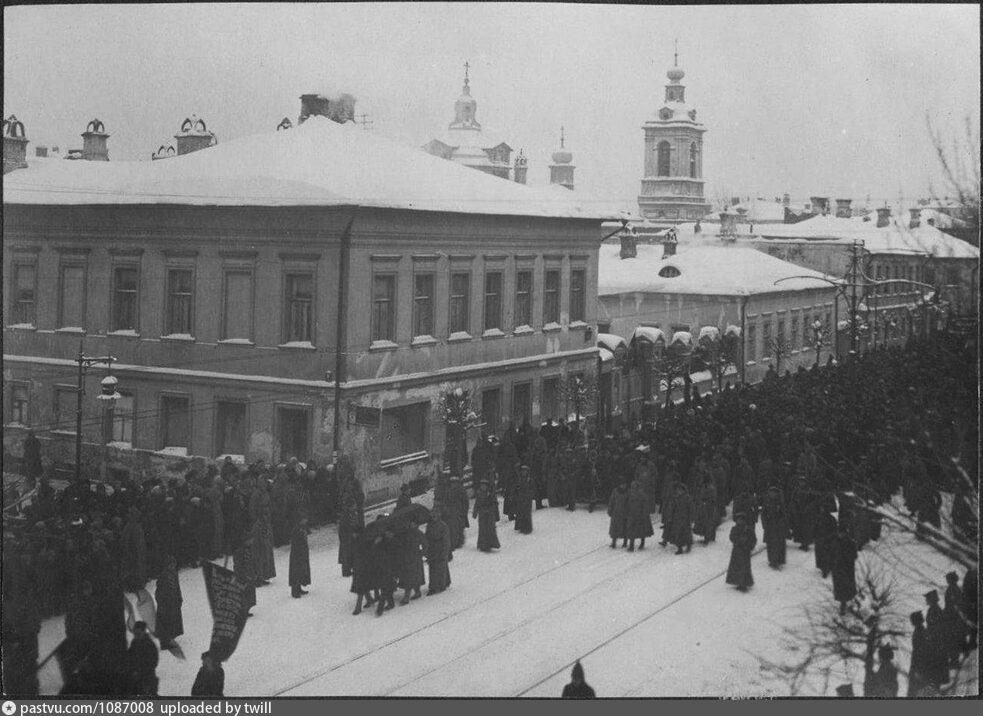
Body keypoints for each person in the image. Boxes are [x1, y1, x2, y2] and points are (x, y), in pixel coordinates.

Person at [154, 554, 183, 650]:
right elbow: (158, 592)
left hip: (174, 602)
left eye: (174, 564)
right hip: (165, 604)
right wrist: (161, 603)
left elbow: (177, 587)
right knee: (165, 622)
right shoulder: (163, 576)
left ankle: (171, 638)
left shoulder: (175, 574)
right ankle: (164, 642)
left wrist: (179, 598)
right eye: (171, 564)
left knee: (173, 621)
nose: (173, 566)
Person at [725, 513, 756, 592]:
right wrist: (738, 541)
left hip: (745, 552)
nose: (739, 521)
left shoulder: (748, 529)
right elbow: (731, 537)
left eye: (741, 520)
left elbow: (753, 539)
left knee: (744, 568)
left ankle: (744, 584)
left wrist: (748, 545)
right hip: (736, 551)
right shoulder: (735, 529)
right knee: (736, 568)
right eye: (738, 520)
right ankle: (738, 582)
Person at [397, 520, 426, 605]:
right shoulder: (404, 533)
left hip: (414, 558)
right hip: (405, 558)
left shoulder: (418, 533)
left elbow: (425, 544)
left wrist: (420, 553)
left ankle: (408, 595)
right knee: (408, 576)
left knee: (412, 576)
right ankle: (416, 592)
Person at [126, 621, 159, 696]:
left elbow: (153, 662)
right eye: (135, 634)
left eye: (138, 634)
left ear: (143, 632)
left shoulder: (149, 645)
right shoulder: (134, 643)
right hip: (136, 677)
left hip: (146, 678)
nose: (136, 636)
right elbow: (129, 657)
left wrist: (139, 671)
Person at [425, 506, 452, 595]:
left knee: (441, 567)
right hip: (432, 549)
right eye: (432, 514)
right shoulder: (429, 526)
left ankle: (441, 585)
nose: (433, 516)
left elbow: (446, 540)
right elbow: (426, 537)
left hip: (440, 548)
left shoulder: (443, 526)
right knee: (433, 568)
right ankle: (434, 586)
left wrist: (445, 551)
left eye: (435, 514)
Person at [831, 525, 858, 615]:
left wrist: (845, 558)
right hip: (838, 569)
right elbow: (831, 553)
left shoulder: (850, 543)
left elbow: (854, 556)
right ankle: (844, 604)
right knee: (841, 588)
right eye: (839, 533)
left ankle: (847, 604)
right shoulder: (835, 541)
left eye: (842, 533)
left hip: (847, 568)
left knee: (846, 587)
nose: (840, 535)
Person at [761, 486, 789, 569]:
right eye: (771, 492)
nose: (772, 494)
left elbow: (784, 515)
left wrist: (782, 524)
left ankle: (777, 561)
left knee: (778, 544)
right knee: (770, 544)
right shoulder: (766, 502)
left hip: (778, 527)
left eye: (774, 492)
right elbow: (763, 514)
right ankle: (772, 560)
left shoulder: (780, 503)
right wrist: (765, 524)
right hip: (769, 527)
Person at [907, 611, 931, 697]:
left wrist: (916, 669)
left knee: (915, 692)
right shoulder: (921, 630)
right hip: (918, 665)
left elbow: (920, 651)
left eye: (912, 620)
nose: (911, 622)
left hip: (919, 666)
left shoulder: (919, 632)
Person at [625, 480, 654, 551]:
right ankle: (632, 545)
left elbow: (645, 505)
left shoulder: (642, 495)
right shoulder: (630, 494)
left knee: (640, 530)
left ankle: (641, 543)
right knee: (632, 530)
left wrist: (644, 513)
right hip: (632, 514)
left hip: (640, 515)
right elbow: (626, 503)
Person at [473, 481, 501, 552]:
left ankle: (490, 544)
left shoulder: (490, 494)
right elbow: (477, 504)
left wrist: (490, 509)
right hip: (482, 514)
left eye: (484, 486)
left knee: (490, 529)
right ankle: (483, 545)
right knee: (482, 529)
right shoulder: (479, 494)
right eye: (482, 486)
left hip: (490, 515)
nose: (483, 487)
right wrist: (475, 513)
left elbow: (495, 503)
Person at [289, 514, 311, 598]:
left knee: (301, 571)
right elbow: (296, 542)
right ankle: (294, 591)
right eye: (305, 519)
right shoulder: (296, 529)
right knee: (296, 572)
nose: (306, 521)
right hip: (297, 554)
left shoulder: (302, 528)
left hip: (302, 553)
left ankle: (299, 588)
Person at [607, 481, 629, 549]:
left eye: (625, 484)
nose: (623, 486)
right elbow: (611, 501)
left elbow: (629, 502)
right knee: (614, 528)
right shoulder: (615, 491)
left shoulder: (628, 492)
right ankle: (614, 542)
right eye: (622, 484)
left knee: (625, 528)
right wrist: (610, 510)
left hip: (624, 513)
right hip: (615, 512)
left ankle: (625, 542)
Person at [513, 465, 534, 535]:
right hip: (520, 499)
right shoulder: (519, 480)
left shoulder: (529, 480)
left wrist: (529, 496)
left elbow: (532, 490)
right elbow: (516, 489)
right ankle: (521, 527)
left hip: (527, 499)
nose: (523, 472)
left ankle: (527, 528)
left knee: (527, 513)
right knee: (520, 513)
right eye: (522, 471)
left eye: (525, 471)